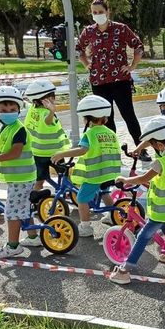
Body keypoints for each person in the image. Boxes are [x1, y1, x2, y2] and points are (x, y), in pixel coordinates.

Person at [109, 116, 165, 285]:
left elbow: (142, 179)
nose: (155, 148)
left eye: (155, 145)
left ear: (162, 145)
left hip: (164, 209)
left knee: (143, 235)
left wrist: (125, 180)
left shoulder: (161, 162)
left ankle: (124, 270)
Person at [76, 0, 150, 162]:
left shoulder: (120, 29)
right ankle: (111, 150)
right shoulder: (89, 31)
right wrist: (86, 64)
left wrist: (132, 66)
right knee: (105, 117)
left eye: (100, 12)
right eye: (94, 13)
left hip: (120, 80)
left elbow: (138, 45)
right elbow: (78, 48)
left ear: (107, 12)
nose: (97, 15)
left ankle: (141, 150)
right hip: (99, 82)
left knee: (128, 114)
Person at [51, 95, 121, 239]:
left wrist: (61, 153)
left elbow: (82, 150)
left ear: (88, 119)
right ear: (105, 118)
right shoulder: (110, 133)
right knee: (105, 192)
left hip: (95, 175)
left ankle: (85, 226)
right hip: (110, 173)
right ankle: (112, 214)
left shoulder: (90, 134)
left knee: (82, 198)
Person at [0, 86, 38, 258]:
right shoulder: (7, 128)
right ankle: (33, 237)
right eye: (4, 110)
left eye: (12, 109)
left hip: (21, 178)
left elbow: (15, 153)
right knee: (23, 207)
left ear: (18, 109)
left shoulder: (18, 129)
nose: (8, 112)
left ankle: (13, 247)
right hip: (20, 177)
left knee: (12, 212)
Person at [23, 79, 70, 192]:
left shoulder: (33, 109)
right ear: (39, 99)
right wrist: (52, 111)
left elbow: (27, 105)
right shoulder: (46, 113)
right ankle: (64, 191)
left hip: (40, 152)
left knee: (41, 179)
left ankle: (36, 196)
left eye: (52, 96)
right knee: (63, 174)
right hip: (52, 153)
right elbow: (47, 121)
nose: (52, 99)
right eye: (49, 97)